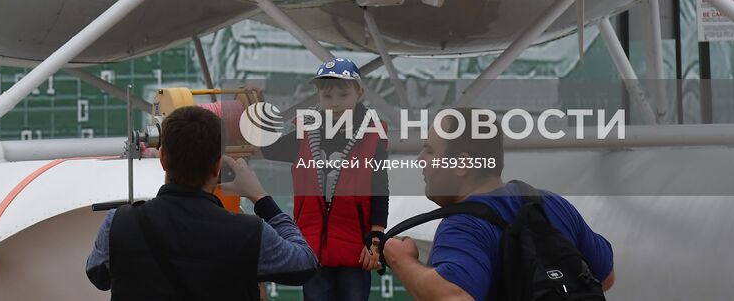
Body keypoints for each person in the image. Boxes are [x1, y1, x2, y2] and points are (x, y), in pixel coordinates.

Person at [85, 104, 317, 299]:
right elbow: (304, 264)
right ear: (217, 165)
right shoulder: (250, 233)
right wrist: (261, 198)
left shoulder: (118, 222)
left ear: (163, 158)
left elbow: (98, 275)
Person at [384, 110, 614, 301]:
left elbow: (454, 297)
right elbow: (605, 277)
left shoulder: (464, 226)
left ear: (462, 164)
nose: (420, 159)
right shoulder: (552, 204)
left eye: (430, 150)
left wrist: (402, 261)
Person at [262, 57, 389, 301]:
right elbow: (269, 148)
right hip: (312, 248)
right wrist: (255, 104)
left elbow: (380, 189)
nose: (336, 103)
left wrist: (376, 240)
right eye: (327, 96)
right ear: (318, 95)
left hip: (355, 249)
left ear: (359, 93)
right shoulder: (304, 133)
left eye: (343, 95)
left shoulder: (373, 137)